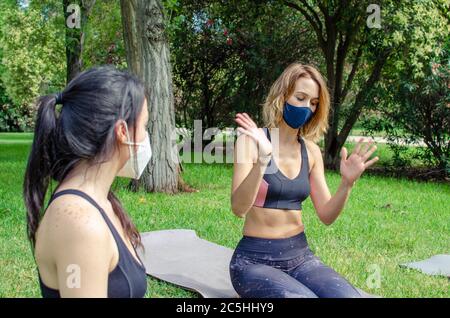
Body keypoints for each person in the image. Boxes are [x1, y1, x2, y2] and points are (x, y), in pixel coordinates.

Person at [229, 62, 379, 298]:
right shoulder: (250, 142)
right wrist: (263, 159)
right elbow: (238, 208)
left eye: (313, 102)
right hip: (254, 261)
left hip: (300, 257)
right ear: (283, 95)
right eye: (300, 97)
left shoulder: (311, 152)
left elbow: (326, 216)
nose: (307, 106)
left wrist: (346, 184)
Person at [23, 66, 151, 298]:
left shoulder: (98, 202)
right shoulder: (78, 222)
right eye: (144, 127)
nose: (145, 137)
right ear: (122, 131)